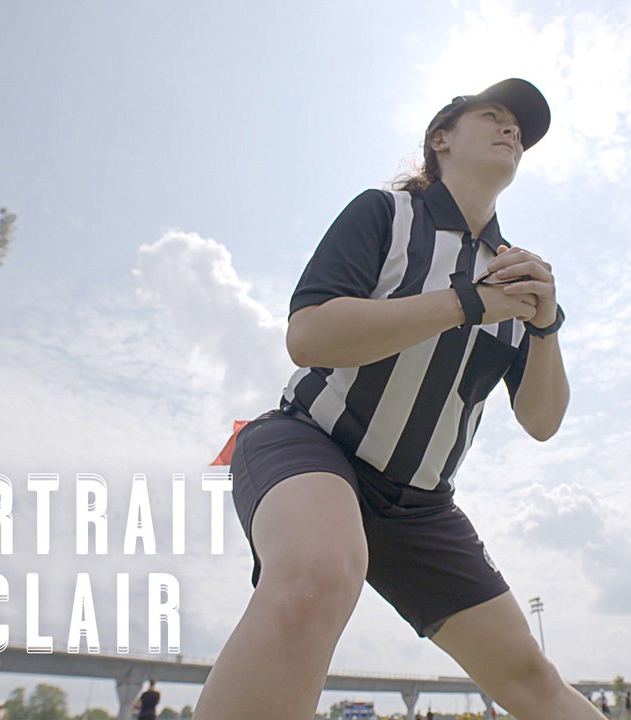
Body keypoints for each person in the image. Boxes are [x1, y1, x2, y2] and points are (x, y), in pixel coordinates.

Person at [194, 78, 581, 720]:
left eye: (522, 130)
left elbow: (542, 421)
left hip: (419, 507)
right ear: (441, 138)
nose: (512, 131)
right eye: (494, 116)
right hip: (312, 443)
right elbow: (309, 334)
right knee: (319, 571)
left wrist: (545, 326)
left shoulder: (518, 274)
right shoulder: (386, 213)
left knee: (531, 679)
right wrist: (466, 302)